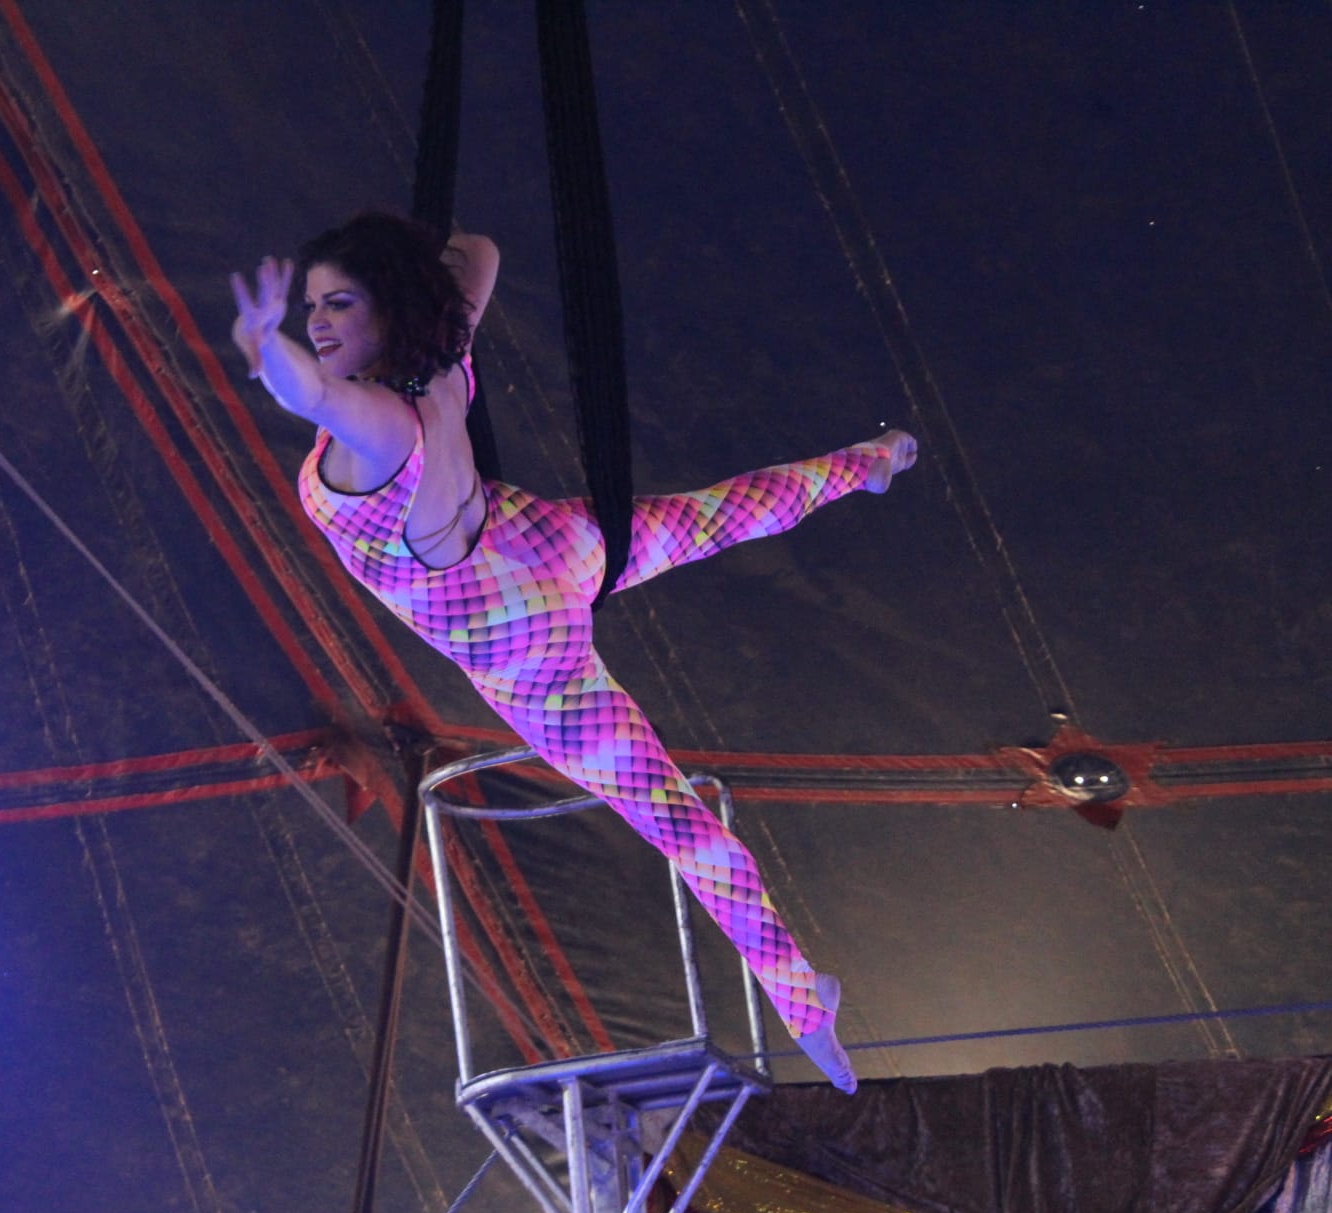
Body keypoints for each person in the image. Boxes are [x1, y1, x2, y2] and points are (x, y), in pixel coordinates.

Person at [230, 211, 916, 1093]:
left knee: (675, 818)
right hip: (549, 544)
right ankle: (867, 463)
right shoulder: (443, 358)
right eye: (312, 307)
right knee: (721, 514)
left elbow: (317, 399)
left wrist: (269, 349)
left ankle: (804, 1005)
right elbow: (478, 251)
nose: (320, 322)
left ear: (389, 306)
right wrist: (410, 288)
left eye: (339, 303)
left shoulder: (383, 427)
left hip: (523, 646)